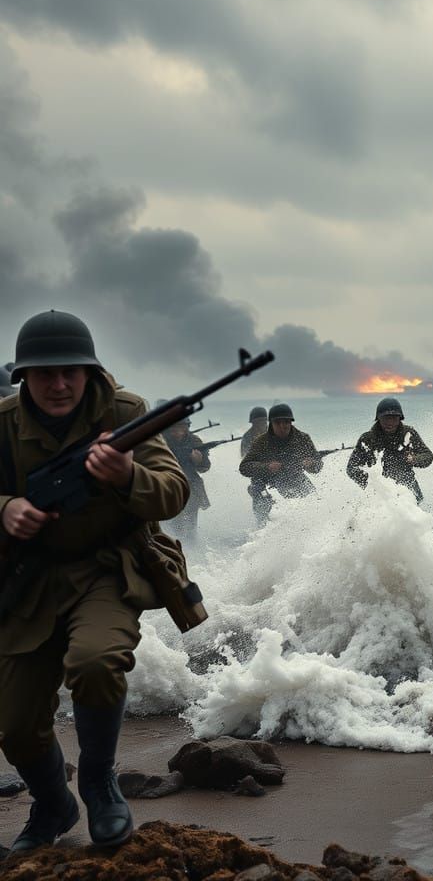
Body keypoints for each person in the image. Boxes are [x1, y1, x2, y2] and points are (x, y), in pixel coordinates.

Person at [0, 310, 188, 852]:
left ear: (89, 372)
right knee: (13, 724)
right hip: (27, 580)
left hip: (108, 570)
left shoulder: (124, 412)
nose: (58, 385)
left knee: (96, 661)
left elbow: (174, 492)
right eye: (44, 374)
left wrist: (128, 475)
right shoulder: (2, 423)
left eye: (70, 373)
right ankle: (53, 804)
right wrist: (6, 508)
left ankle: (101, 786)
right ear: (24, 378)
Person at [238, 403, 323, 524]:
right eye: (278, 423)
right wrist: (266, 467)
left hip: (292, 475)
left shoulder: (302, 438)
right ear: (271, 424)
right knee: (260, 498)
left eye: (286, 422)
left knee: (314, 500)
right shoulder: (261, 441)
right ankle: (261, 530)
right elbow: (244, 467)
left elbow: (318, 465)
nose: (282, 426)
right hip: (264, 479)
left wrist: (311, 464)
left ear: (291, 423)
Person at [346, 397, 433, 502]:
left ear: (400, 418)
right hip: (379, 491)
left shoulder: (408, 434)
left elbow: (427, 455)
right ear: (379, 419)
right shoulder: (367, 439)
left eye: (394, 418)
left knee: (416, 513)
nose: (390, 422)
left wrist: (414, 459)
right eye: (386, 418)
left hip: (407, 486)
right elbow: (352, 468)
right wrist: (373, 483)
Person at [161, 417, 211, 546]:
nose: (178, 432)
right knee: (174, 524)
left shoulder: (194, 441)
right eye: (174, 428)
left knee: (191, 525)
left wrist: (198, 461)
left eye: (181, 428)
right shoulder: (161, 441)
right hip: (168, 486)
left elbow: (205, 467)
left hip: (191, 487)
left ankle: (192, 551)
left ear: (187, 427)